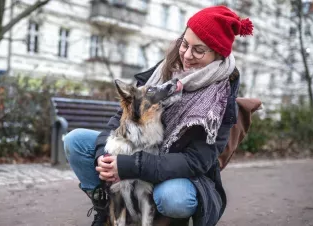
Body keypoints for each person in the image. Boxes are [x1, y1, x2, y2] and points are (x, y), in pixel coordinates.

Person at [64, 5, 254, 226]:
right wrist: (103, 157)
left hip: (181, 172)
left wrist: (127, 166)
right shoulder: (164, 70)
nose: (187, 55)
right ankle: (106, 206)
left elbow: (195, 162)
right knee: (76, 141)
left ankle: (166, 220)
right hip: (140, 149)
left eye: (199, 50)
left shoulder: (220, 98)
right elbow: (121, 116)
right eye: (185, 44)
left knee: (173, 199)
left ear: (217, 54)